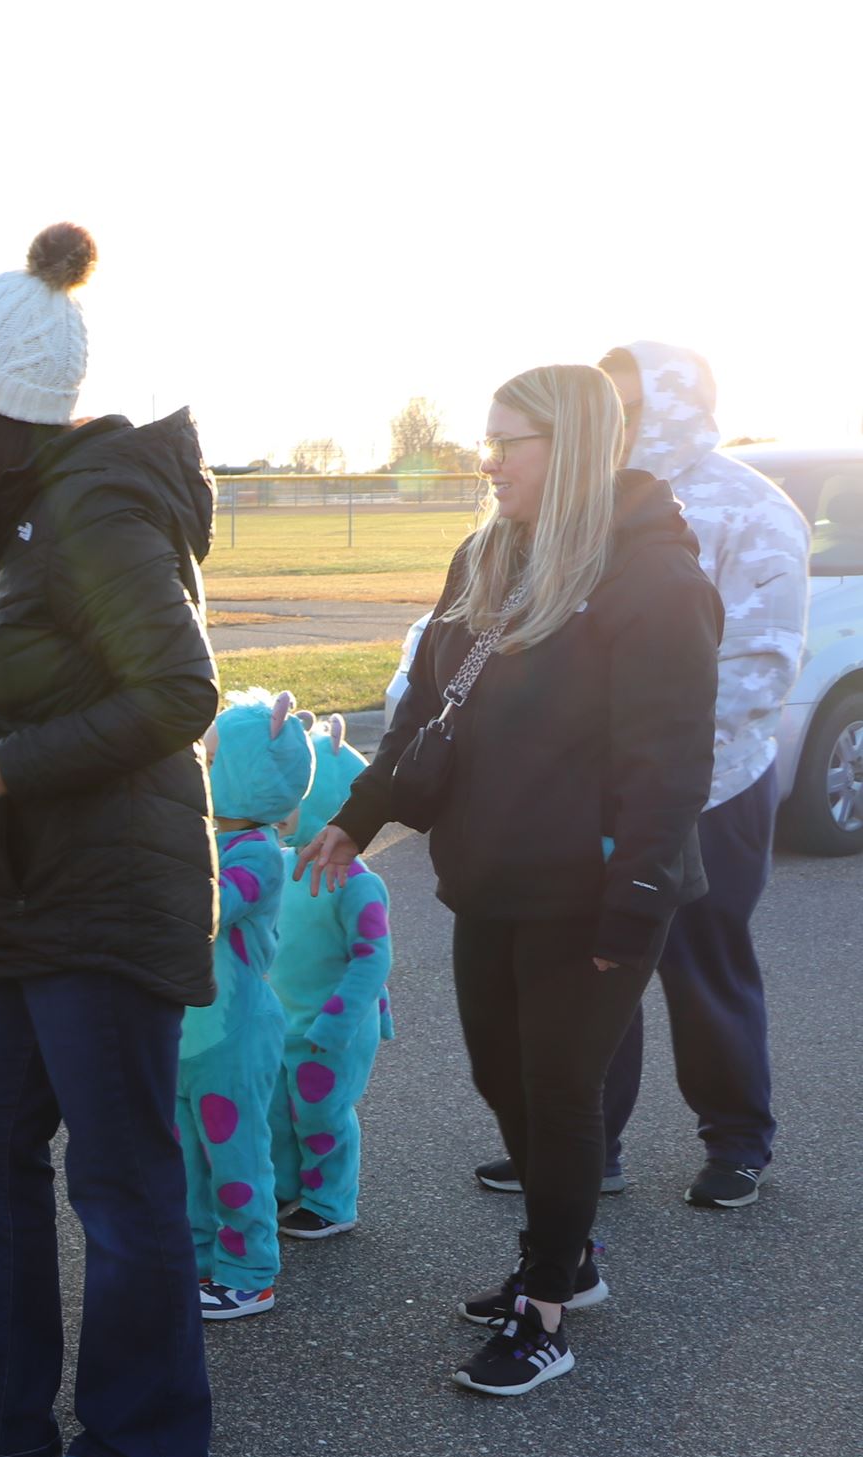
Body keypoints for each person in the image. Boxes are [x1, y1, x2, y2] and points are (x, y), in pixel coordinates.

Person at [0, 223, 220, 1457]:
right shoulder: (37, 518)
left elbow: (181, 687)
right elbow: (71, 686)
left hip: (106, 895)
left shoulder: (92, 507)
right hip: (34, 890)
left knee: (118, 1176)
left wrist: (7, 767)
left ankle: (146, 1438)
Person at [306, 363, 720, 1398]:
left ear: (569, 447)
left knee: (559, 1090)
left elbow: (666, 768)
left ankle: (545, 1312)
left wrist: (629, 907)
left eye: (507, 443)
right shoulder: (489, 554)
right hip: (488, 874)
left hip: (592, 892)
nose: (484, 462)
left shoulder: (653, 579)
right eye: (484, 440)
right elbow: (421, 713)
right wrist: (358, 815)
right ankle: (564, 1255)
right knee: (502, 1079)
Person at [469, 343, 807, 1210]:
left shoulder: (752, 510)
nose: (614, 420)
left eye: (632, 403)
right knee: (591, 974)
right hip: (593, 796)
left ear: (674, 406)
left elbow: (761, 665)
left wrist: (654, 756)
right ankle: (589, 1145)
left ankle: (736, 1140)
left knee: (705, 971)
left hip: (714, 786)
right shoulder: (582, 511)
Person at [181, 691, 311, 1322]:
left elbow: (205, 911)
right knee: (185, 1162)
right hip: (187, 1035)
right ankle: (199, 1260)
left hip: (234, 1036)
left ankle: (249, 1272)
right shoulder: (207, 837)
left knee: (235, 1158)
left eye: (205, 756)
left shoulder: (256, 850)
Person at [269, 713, 393, 1241]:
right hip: (278, 1020)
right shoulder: (277, 865)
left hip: (330, 1030)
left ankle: (331, 1200)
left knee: (321, 1115)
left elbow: (372, 958)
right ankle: (285, 1185)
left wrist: (336, 1025)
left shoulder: (358, 884)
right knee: (276, 1113)